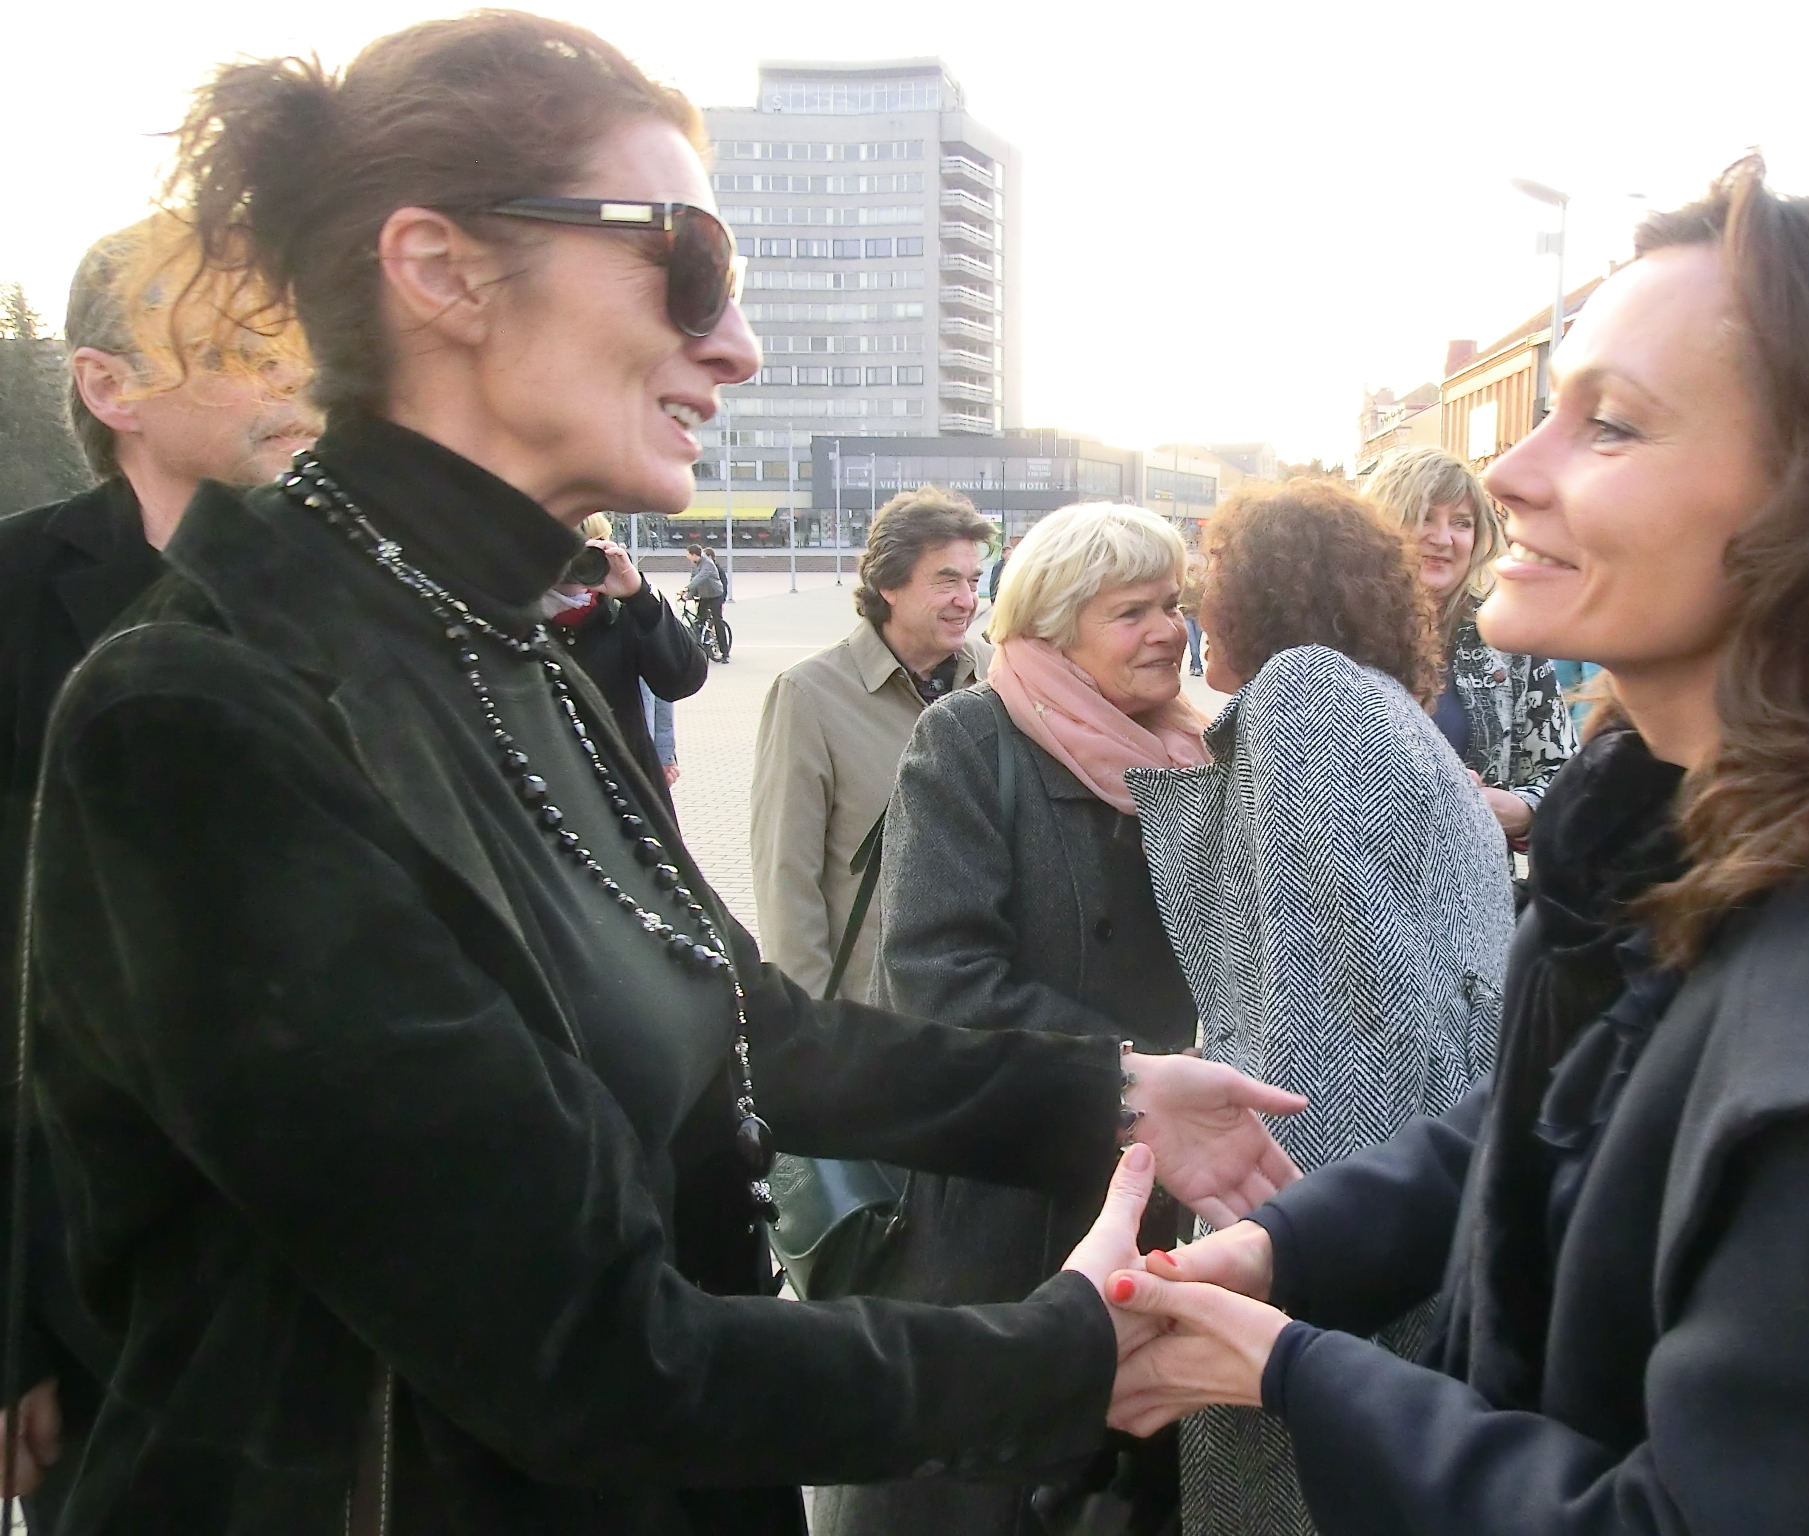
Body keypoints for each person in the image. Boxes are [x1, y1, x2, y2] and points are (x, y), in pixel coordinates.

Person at [11, 19, 1305, 1532]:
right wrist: (1060, 1354)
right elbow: (576, 1352)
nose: (735, 342)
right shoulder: (206, 709)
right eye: (685, 264)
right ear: (439, 270)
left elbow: (749, 1025)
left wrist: (1115, 1096)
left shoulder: (504, 646)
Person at [1096, 158, 1809, 1536]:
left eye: (1610, 426)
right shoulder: (1671, 824)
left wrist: (1294, 1374)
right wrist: (1281, 1251)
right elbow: (1551, 1126)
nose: (1506, 474)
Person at [0, 212, 316, 1524]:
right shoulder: (16, 599)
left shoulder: (374, 597)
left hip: (348, 1289)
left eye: (301, 342)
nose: (294, 378)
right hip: (99, 1303)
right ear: (108, 385)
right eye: (242, 348)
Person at [814, 502, 1216, 1536]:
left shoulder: (1199, 751)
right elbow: (936, 976)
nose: (1167, 631)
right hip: (1006, 1198)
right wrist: (1135, 1074)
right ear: (1053, 628)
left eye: (1172, 604)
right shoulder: (970, 738)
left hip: (1164, 1192)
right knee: (974, 1486)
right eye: (1131, 612)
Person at [1127, 478, 1514, 1536]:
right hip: (1414, 1216)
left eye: (1211, 578)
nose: (1193, 608)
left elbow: (1336, 1016)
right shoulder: (1384, 708)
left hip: (1336, 1234)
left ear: (1266, 588)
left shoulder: (1308, 698)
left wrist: (1283, 1254)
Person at [750, 486, 995, 1001]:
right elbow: (786, 878)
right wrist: (813, 1021)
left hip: (984, 1005)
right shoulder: (810, 696)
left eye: (973, 580)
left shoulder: (1000, 676)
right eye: (946, 581)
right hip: (874, 1008)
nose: (967, 601)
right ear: (888, 584)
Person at [1364, 446, 1577, 842]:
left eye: (1461, 523)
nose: (1443, 538)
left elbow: (1564, 773)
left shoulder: (1507, 639)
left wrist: (1524, 810)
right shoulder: (1338, 637)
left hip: (1481, 876)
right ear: (1379, 526)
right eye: (1424, 517)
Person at [545, 512, 703, 788]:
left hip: (621, 785)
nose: (572, 564)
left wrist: (640, 596)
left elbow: (681, 681)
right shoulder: (509, 618)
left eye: (588, 551)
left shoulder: (622, 613)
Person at [685, 542, 728, 660]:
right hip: (704, 596)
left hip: (715, 595)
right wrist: (687, 595)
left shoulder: (707, 563)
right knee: (699, 620)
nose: (687, 557)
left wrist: (687, 588)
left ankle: (724, 652)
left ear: (694, 555)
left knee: (717, 621)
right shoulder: (694, 564)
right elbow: (693, 579)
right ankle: (700, 647)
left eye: (688, 554)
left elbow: (701, 577)